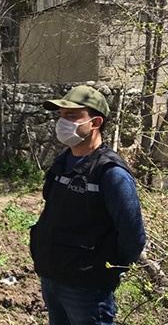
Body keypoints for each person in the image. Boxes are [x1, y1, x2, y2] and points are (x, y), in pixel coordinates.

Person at [30, 85, 146, 325]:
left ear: (95, 122)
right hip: (52, 277)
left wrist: (107, 271)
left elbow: (133, 235)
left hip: (86, 288)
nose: (63, 122)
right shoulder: (63, 162)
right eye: (61, 116)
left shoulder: (110, 172)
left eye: (72, 116)